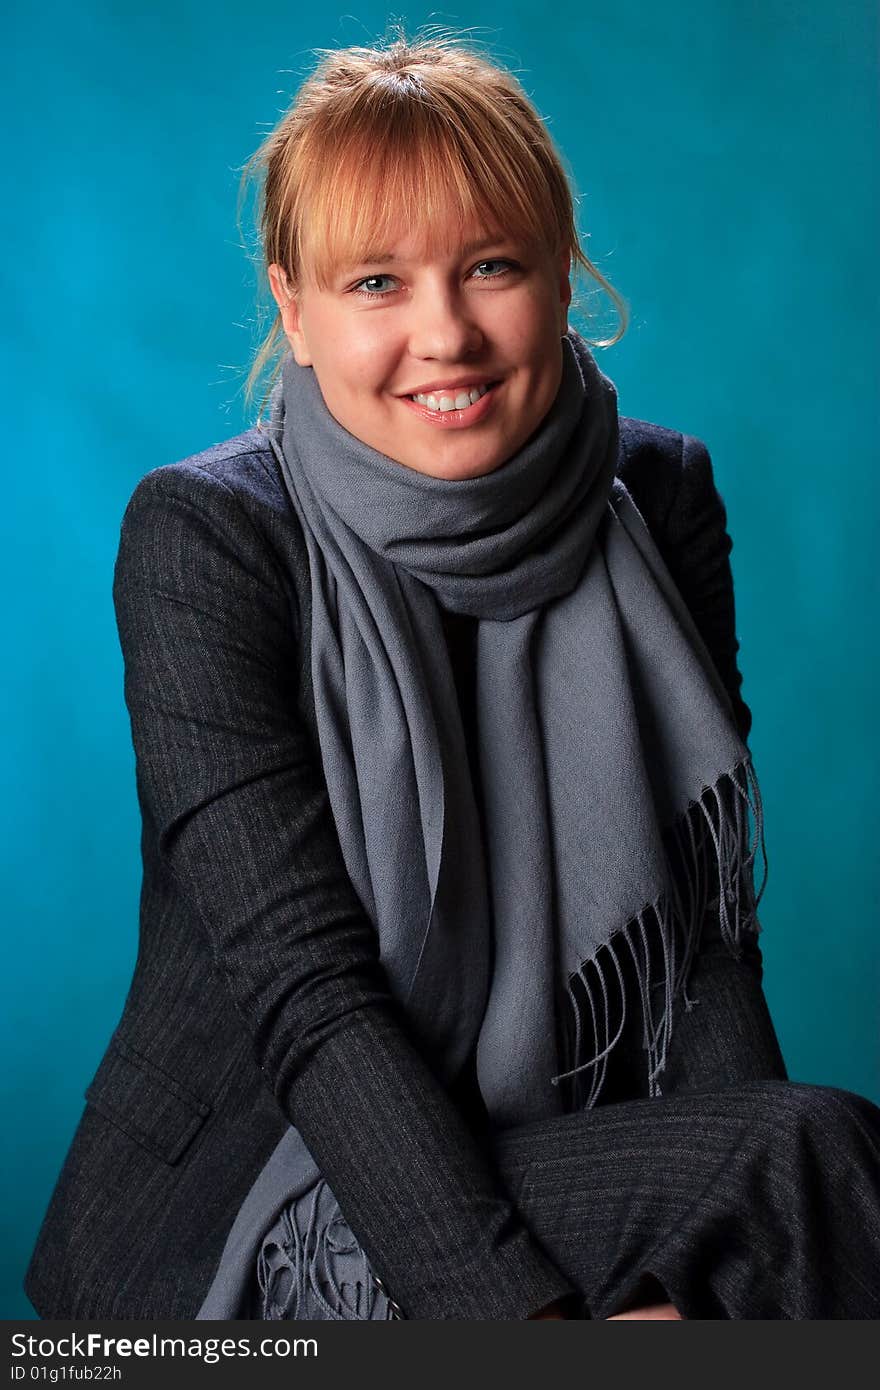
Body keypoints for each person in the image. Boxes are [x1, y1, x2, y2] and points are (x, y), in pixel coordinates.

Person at [24, 30, 880, 1322]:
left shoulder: (656, 495)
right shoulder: (205, 537)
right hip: (257, 1193)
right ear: (294, 311)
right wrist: (532, 1329)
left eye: (490, 266)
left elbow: (698, 946)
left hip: (554, 1149)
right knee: (800, 1166)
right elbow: (311, 995)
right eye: (377, 280)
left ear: (556, 276)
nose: (446, 334)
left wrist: (716, 1277)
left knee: (800, 1161)